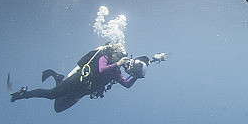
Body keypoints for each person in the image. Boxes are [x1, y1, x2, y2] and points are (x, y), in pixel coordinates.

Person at [9, 43, 156, 113]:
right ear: (114, 53)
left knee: (58, 108)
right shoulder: (104, 57)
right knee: (51, 94)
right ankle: (24, 93)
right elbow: (101, 69)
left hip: (82, 92)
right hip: (78, 81)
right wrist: (117, 63)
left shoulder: (116, 71)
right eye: (119, 56)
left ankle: (58, 77)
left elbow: (127, 84)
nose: (120, 59)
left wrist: (136, 76)